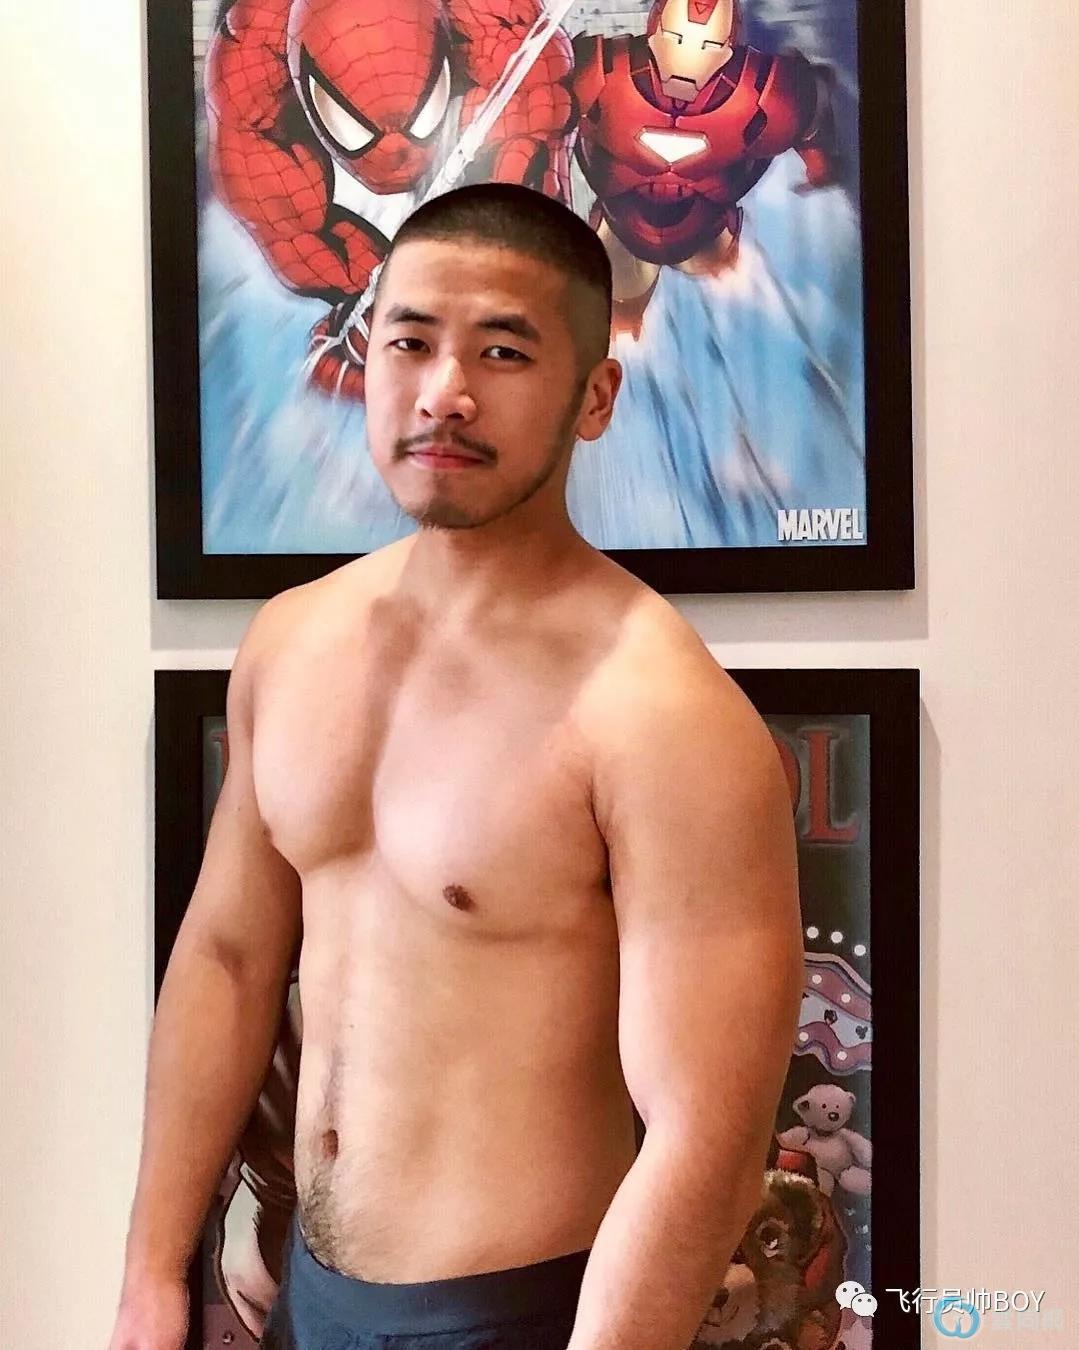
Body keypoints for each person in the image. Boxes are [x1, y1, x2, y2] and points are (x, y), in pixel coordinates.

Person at [108, 183, 803, 1350]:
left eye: (503, 351)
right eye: (410, 341)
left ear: (595, 397)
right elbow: (227, 957)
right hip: (307, 1297)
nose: (445, 392)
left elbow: (710, 1143)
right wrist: (150, 1269)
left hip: (524, 1313)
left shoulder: (662, 716)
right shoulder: (290, 641)